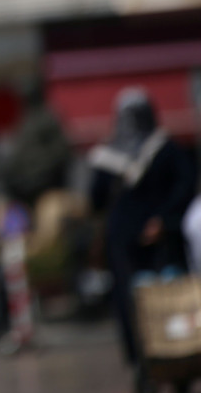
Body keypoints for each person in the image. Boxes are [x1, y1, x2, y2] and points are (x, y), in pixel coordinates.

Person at [88, 87, 197, 385]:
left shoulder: (164, 150)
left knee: (168, 302)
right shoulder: (112, 156)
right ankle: (146, 365)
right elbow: (96, 198)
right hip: (130, 246)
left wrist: (164, 221)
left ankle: (176, 362)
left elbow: (185, 186)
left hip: (155, 244)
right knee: (135, 307)